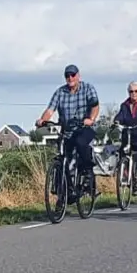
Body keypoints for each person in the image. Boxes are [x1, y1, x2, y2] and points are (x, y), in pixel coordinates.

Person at [36, 64, 100, 196]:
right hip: (67, 130)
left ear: (78, 75)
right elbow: (50, 109)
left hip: (84, 127)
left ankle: (88, 173)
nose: (70, 78)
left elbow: (95, 105)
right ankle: (64, 193)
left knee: (82, 144)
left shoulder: (88, 88)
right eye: (67, 76)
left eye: (73, 75)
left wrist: (91, 119)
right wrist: (42, 120)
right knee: (63, 157)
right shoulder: (60, 92)